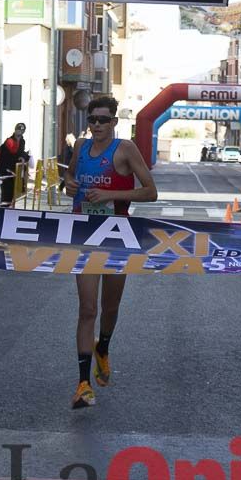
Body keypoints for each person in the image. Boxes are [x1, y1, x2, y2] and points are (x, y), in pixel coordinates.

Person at [62, 95, 157, 409]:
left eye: (104, 120)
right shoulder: (81, 147)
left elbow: (150, 191)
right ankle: (83, 384)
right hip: (86, 235)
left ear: (115, 122)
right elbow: (70, 180)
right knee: (87, 308)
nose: (97, 125)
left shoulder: (125, 149)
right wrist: (70, 185)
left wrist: (109, 195)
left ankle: (103, 346)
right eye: (93, 120)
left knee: (109, 307)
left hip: (117, 236)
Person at [0, 123, 29, 206]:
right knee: (6, 192)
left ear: (24, 131)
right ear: (15, 130)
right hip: (5, 170)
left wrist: (23, 156)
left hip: (12, 170)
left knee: (11, 193)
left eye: (21, 130)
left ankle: (8, 209)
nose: (19, 131)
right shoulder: (9, 141)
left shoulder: (22, 141)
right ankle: (4, 210)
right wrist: (23, 156)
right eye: (18, 129)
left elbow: (20, 153)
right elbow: (13, 154)